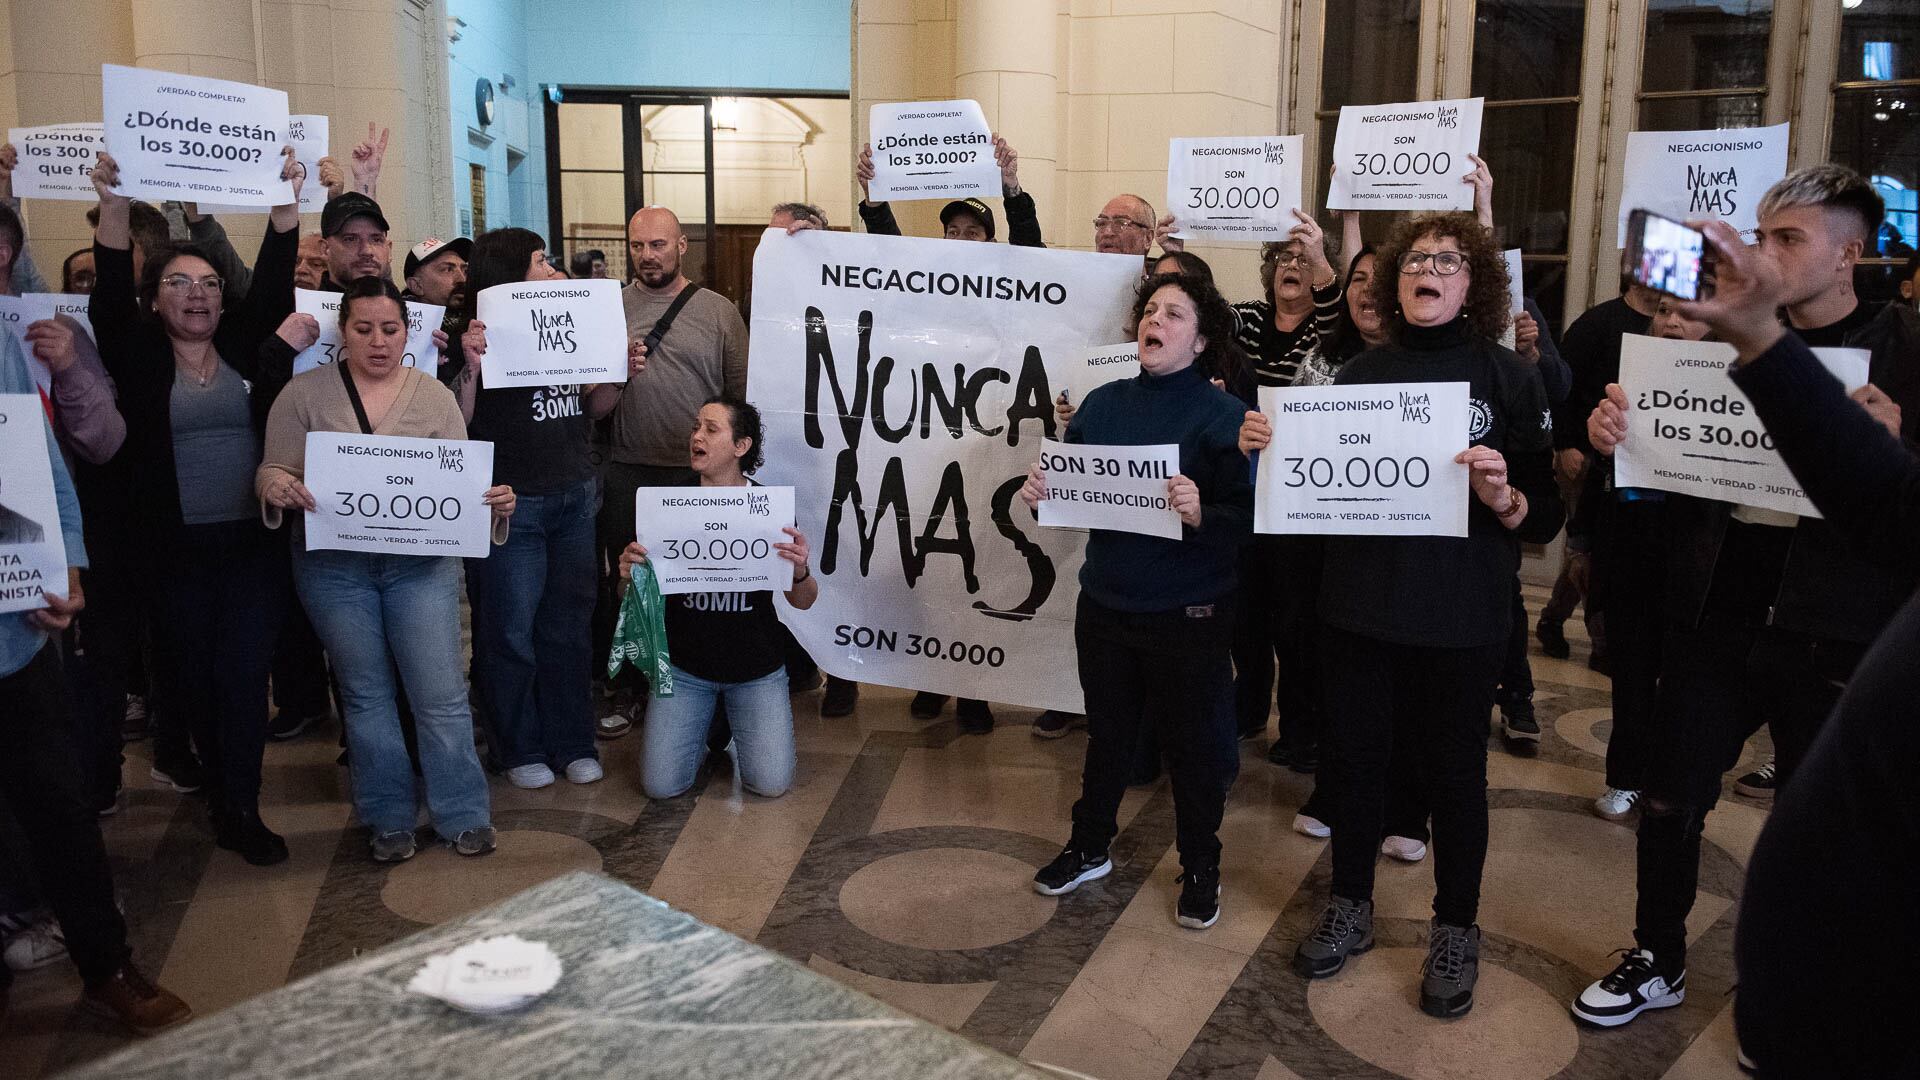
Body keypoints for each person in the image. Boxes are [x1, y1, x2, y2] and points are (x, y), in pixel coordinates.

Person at [1572, 164, 1920, 1030]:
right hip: (1718, 602)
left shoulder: (1908, 352)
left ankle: (1809, 988)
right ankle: (1658, 955)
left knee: (1826, 823)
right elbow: (1667, 477)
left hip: (1838, 626)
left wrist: (1894, 450)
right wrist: (1619, 437)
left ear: (1853, 254)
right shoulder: (1705, 341)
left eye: (1790, 239)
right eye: (1760, 236)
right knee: (1670, 792)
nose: (1765, 255)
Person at [1256, 212, 1561, 1017]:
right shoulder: (1358, 376)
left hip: (1461, 616)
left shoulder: (1506, 377)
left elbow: (1547, 516)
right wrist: (1268, 448)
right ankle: (1350, 903)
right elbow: (1306, 493)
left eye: (1448, 260)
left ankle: (1456, 926)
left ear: (1474, 283)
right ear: (1395, 281)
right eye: (1416, 259)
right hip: (1358, 608)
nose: (1429, 269)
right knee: (1353, 764)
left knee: (1456, 778)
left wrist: (1505, 496)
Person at [87, 149, 302, 866]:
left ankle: (240, 805)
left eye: (208, 282)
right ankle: (215, 785)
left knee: (244, 677)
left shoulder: (242, 340)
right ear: (155, 297)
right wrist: (112, 205)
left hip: (250, 545)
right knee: (195, 679)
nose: (198, 294)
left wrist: (284, 209)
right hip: (171, 550)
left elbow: (272, 287)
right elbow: (106, 297)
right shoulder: (138, 349)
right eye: (178, 283)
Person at [1022, 270, 1253, 931]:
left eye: (1175, 314)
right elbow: (1068, 500)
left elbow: (1249, 519)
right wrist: (1042, 495)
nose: (1156, 320)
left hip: (1190, 611)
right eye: (1152, 310)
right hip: (1107, 602)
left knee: (1194, 747)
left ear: (1202, 339)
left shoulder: (1226, 416)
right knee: (1108, 734)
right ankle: (1089, 844)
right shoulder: (1102, 402)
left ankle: (1201, 864)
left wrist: (1201, 509)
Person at [256, 277, 513, 862]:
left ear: (409, 332)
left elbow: (462, 485)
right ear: (341, 332)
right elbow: (270, 468)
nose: (377, 341)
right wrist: (277, 485)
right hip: (334, 572)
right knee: (364, 693)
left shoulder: (435, 397)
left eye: (390, 329)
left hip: (421, 568)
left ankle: (463, 813)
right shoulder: (304, 395)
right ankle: (388, 815)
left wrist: (495, 502)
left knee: (441, 693)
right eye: (363, 329)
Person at [0, 328, 192, 1035]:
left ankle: (106, 966)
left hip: (13, 631)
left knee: (59, 806)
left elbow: (37, 459)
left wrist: (64, 559)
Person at [450, 227, 633, 789]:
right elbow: (454, 423)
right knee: (509, 631)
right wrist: (472, 364)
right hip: (512, 504)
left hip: (574, 494)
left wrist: (617, 367)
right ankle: (518, 745)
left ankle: (572, 740)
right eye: (540, 261)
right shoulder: (471, 334)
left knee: (569, 628)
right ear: (508, 273)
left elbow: (595, 407)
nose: (553, 271)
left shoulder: (568, 321)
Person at [618, 397, 819, 799]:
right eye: (696, 428)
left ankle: (725, 722)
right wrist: (629, 575)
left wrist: (799, 571)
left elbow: (804, 600)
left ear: (740, 447)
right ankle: (709, 725)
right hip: (686, 669)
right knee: (661, 786)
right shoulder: (665, 506)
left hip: (755, 670)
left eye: (711, 429)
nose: (697, 436)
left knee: (770, 783)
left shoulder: (769, 509)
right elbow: (633, 599)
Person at [601, 206, 752, 732]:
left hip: (700, 476)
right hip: (627, 469)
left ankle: (694, 690)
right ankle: (628, 687)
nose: (648, 256)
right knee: (630, 585)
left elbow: (740, 394)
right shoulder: (608, 307)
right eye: (638, 246)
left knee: (695, 587)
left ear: (681, 246)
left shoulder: (718, 312)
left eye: (658, 245)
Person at [855, 135, 1044, 248]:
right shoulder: (928, 280)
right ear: (943, 239)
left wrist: (1010, 185)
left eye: (972, 234)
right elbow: (891, 254)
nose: (960, 240)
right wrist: (875, 195)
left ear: (991, 244)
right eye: (953, 233)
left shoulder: (1004, 282)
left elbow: (1028, 251)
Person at [404, 235, 471, 312]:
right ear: (416, 286)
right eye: (448, 269)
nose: (462, 279)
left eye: (465, 271)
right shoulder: (399, 322)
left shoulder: (480, 319)